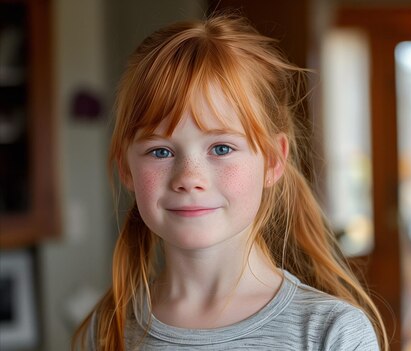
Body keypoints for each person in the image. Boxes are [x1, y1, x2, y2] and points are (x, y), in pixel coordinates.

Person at [72, 13, 388, 351]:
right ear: (126, 168)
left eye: (221, 148)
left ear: (272, 160)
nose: (189, 178)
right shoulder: (108, 329)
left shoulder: (332, 332)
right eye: (160, 151)